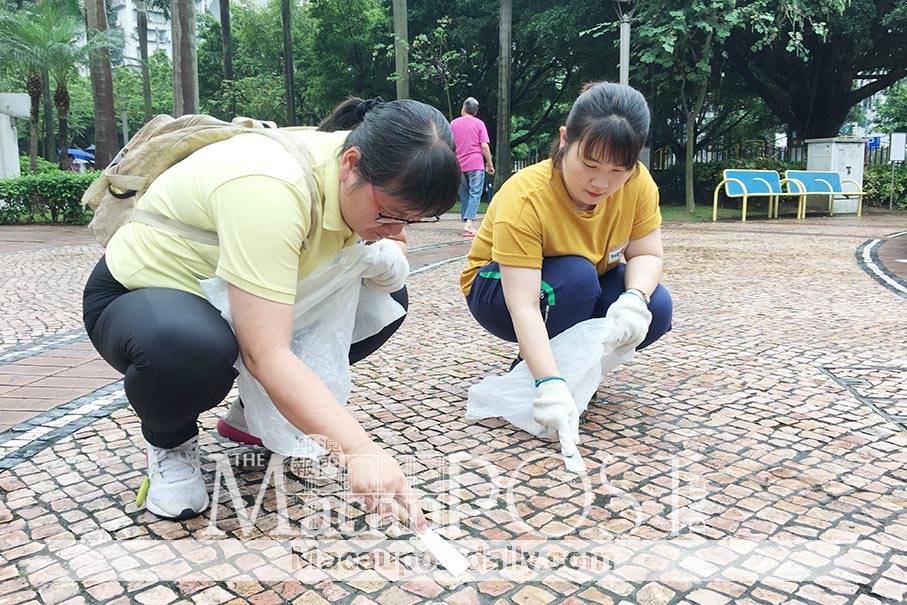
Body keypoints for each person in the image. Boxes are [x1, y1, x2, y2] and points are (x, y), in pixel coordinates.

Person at [82, 97, 460, 526]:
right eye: (390, 215)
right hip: (147, 295)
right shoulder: (271, 187)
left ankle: (249, 415)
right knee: (188, 348)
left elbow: (390, 247)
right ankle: (170, 441)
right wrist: (360, 452)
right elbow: (266, 353)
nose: (396, 232)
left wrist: (387, 247)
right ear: (351, 163)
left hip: (239, 297)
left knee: (384, 303)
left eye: (412, 221)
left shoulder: (362, 166)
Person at [460, 82, 672, 456]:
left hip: (585, 277)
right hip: (498, 289)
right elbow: (523, 303)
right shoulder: (526, 194)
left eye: (618, 170)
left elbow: (647, 254)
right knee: (575, 279)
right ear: (564, 140)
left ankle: (576, 371)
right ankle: (537, 373)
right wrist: (549, 383)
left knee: (656, 308)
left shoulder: (638, 185)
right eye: (589, 164)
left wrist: (635, 299)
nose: (600, 182)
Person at [450, 97, 495, 237]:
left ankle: (466, 221)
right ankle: (469, 225)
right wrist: (490, 164)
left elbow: (449, 145)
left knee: (464, 193)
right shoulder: (479, 123)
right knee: (475, 193)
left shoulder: (453, 124)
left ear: (463, 108)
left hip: (459, 164)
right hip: (475, 163)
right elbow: (484, 146)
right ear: (475, 111)